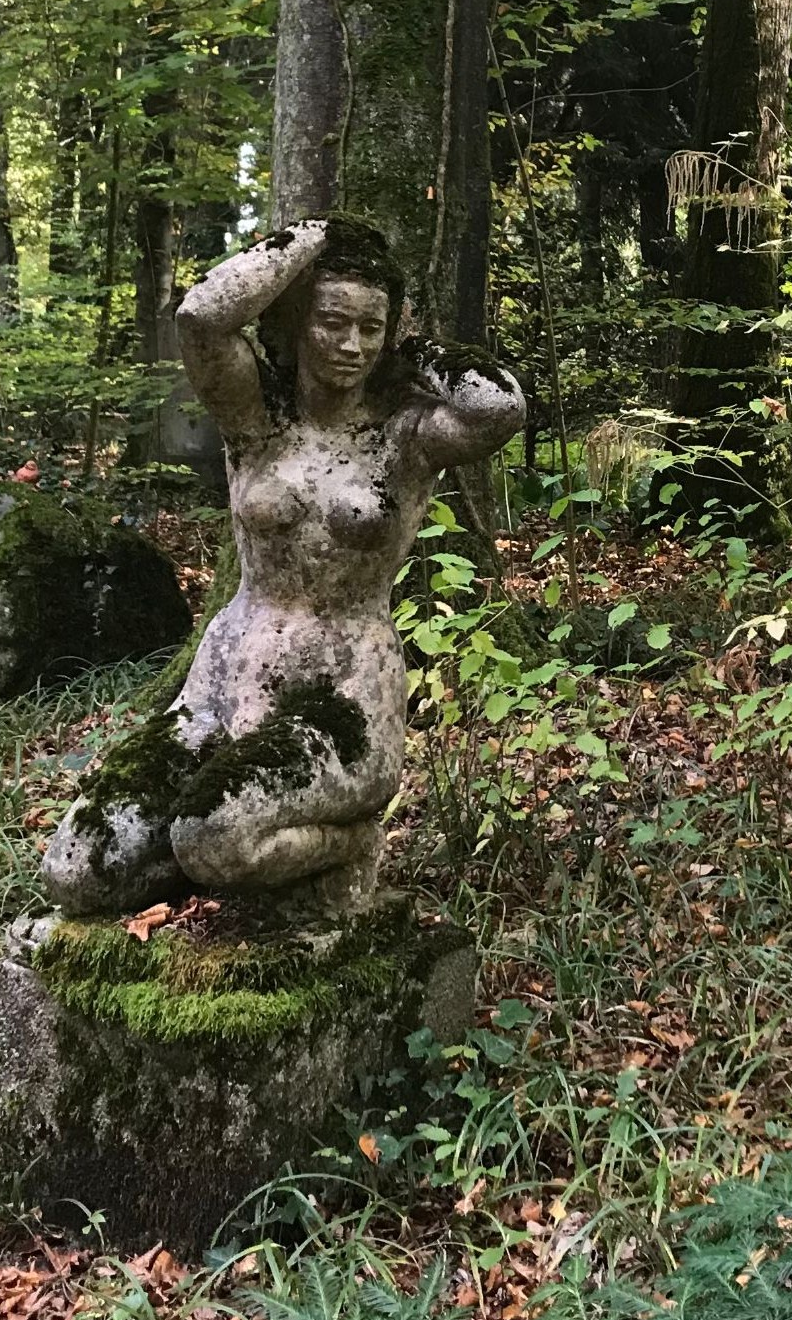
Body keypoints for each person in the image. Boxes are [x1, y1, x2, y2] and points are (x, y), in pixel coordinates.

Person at [41, 217, 524, 918]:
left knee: (212, 836)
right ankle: (204, 865)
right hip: (222, 684)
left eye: (370, 327)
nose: (352, 344)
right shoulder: (255, 416)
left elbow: (499, 406)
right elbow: (203, 317)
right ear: (298, 322)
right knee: (77, 869)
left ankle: (348, 844)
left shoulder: (407, 437)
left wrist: (406, 341)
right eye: (332, 321)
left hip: (343, 696)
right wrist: (315, 237)